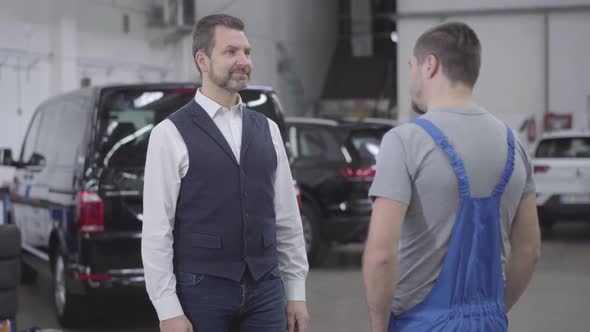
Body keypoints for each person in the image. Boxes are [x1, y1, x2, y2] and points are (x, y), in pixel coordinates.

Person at [362, 22, 541, 332]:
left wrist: (379, 326)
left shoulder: (404, 141)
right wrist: (494, 309)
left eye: (412, 66)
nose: (412, 77)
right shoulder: (515, 144)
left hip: (418, 324)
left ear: (430, 65)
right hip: (489, 321)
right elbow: (529, 250)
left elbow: (381, 254)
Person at [141, 14, 309, 332]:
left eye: (246, 52)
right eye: (231, 52)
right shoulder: (169, 134)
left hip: (266, 290)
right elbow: (156, 232)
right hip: (201, 290)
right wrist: (167, 309)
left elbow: (287, 218)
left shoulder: (268, 130)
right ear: (202, 60)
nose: (243, 61)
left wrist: (296, 292)